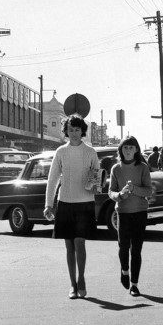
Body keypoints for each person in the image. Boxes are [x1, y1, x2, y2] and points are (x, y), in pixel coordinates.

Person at [43, 115, 100, 299]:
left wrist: (95, 183)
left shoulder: (90, 152)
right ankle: (72, 285)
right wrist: (49, 204)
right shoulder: (60, 152)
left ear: (82, 131)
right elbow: (52, 180)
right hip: (65, 202)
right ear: (66, 131)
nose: (74, 133)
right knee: (69, 246)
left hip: (84, 203)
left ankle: (81, 279)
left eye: (77, 129)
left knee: (79, 243)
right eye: (71, 129)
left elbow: (97, 178)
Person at [108, 136, 152, 297]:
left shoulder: (142, 168)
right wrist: (119, 195)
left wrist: (134, 189)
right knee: (123, 247)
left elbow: (149, 191)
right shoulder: (116, 169)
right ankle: (124, 270)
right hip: (123, 212)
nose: (128, 151)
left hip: (140, 212)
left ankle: (134, 284)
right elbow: (110, 192)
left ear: (136, 150)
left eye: (131, 148)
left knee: (137, 250)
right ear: (121, 150)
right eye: (125, 148)